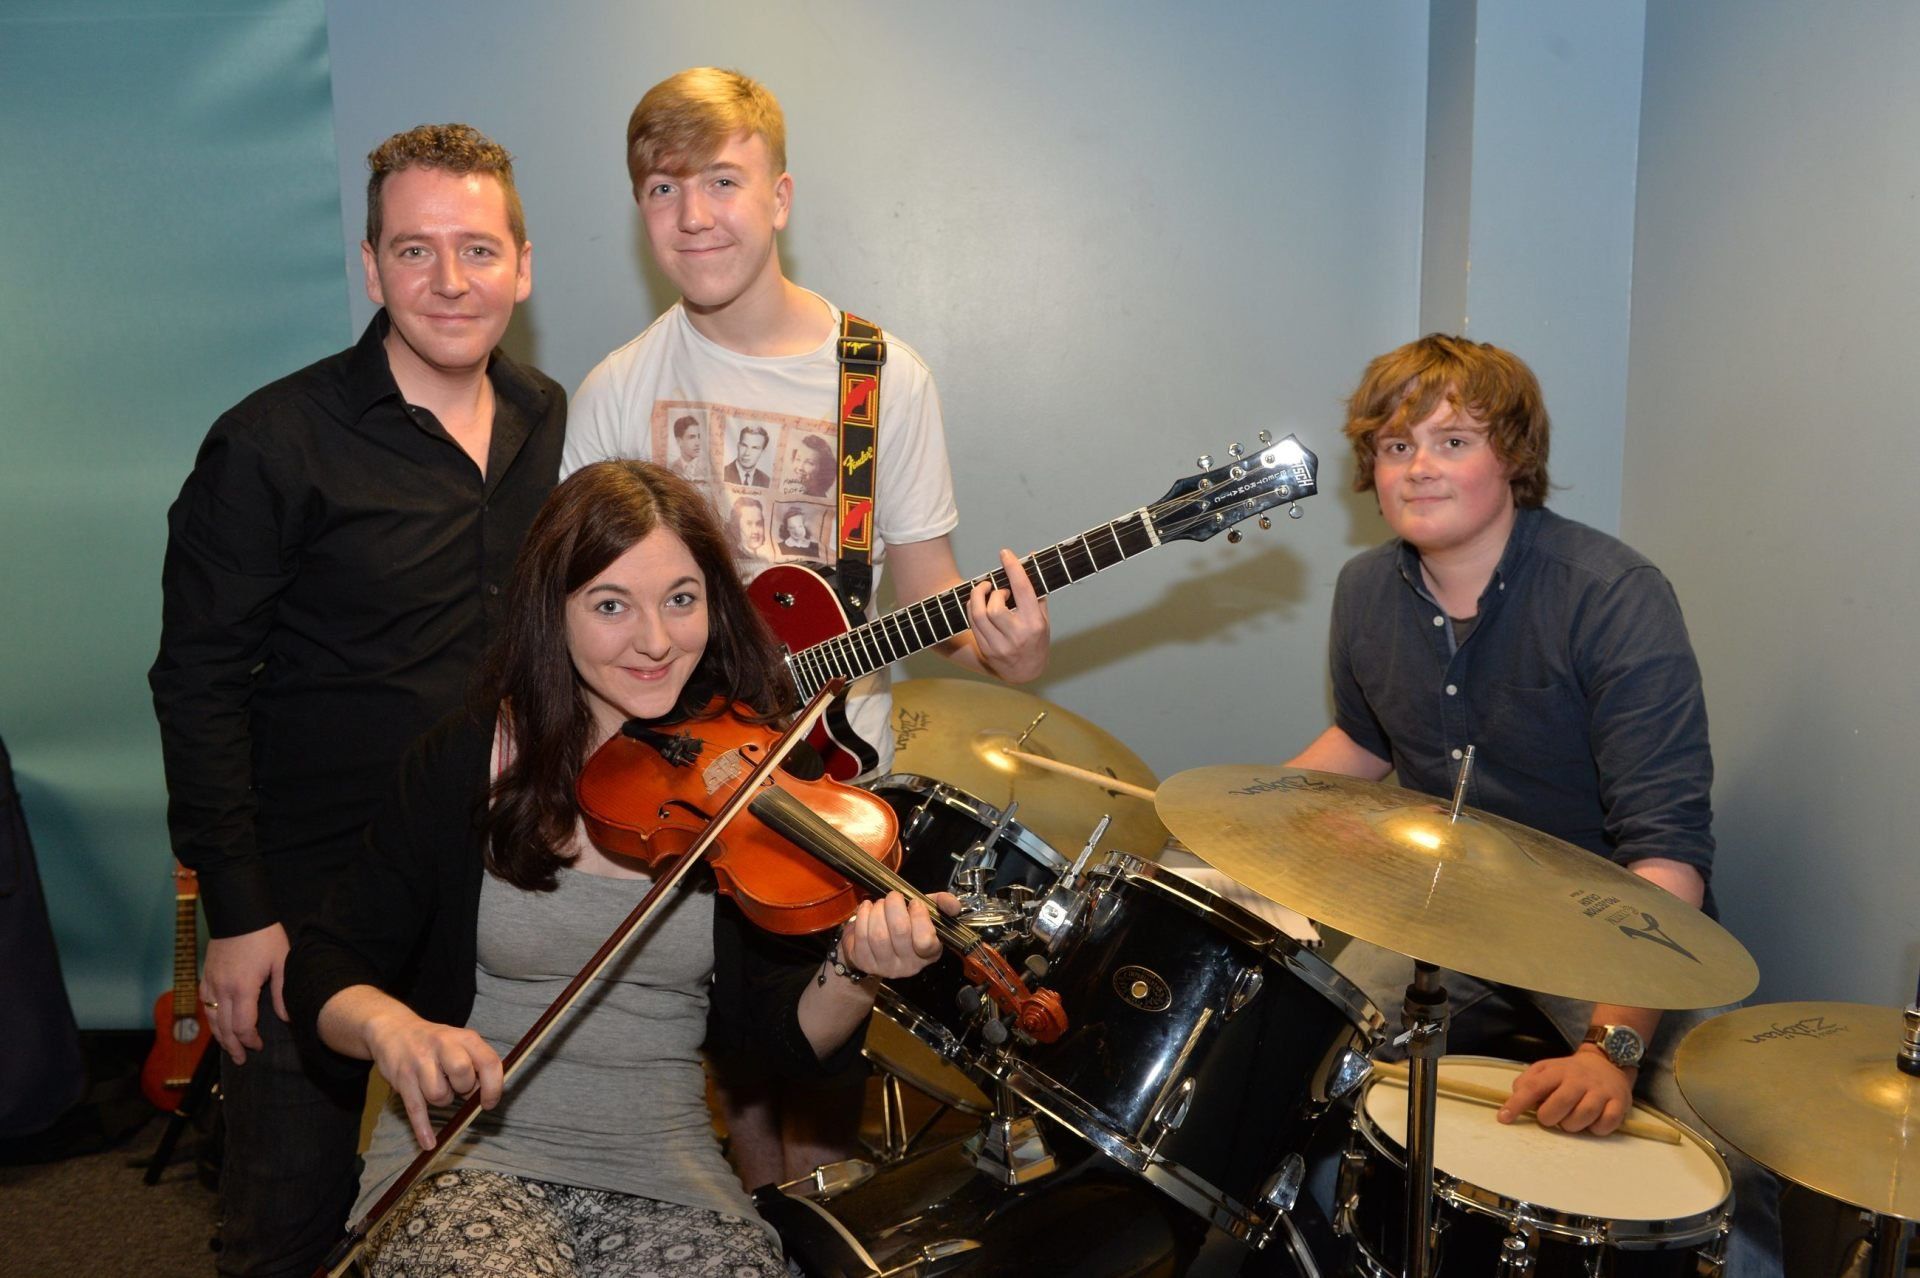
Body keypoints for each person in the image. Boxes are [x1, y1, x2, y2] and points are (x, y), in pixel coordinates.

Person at [563, 67, 1052, 1188]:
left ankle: (804, 1238)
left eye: (722, 181)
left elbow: (930, 591)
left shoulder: (883, 379)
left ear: (778, 197)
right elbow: (578, 612)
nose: (694, 214)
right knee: (728, 1076)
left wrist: (1006, 651)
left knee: (819, 1078)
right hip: (673, 783)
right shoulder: (616, 390)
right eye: (663, 188)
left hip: (829, 784)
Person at [283, 461, 949, 1276]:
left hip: (666, 1171)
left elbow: (781, 1039)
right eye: (610, 605)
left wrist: (855, 969)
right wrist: (394, 1029)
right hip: (467, 1160)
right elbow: (325, 963)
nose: (656, 641)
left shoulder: (756, 772)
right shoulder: (469, 757)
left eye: (681, 599)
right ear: (551, 613)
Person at [148, 123, 563, 1275]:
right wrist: (239, 913)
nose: (450, 280)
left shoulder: (546, 417)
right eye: (415, 250)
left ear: (523, 267)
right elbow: (197, 683)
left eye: (478, 249)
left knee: (484, 1215)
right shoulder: (268, 444)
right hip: (312, 904)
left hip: (488, 887)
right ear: (371, 267)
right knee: (290, 1223)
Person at [1286, 334, 1781, 1275]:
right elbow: (1364, 740)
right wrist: (1243, 828)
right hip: (1448, 910)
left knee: (1730, 1148)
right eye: (1396, 446)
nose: (1419, 468)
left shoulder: (1614, 596)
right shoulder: (1364, 590)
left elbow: (1666, 853)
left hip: (1611, 924)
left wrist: (1612, 1048)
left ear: (1512, 457)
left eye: (1453, 441)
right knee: (1296, 1068)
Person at [724, 422, 773, 487]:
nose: (747, 453)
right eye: (744, 445)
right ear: (738, 446)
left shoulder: (767, 482)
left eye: (755, 448)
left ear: (762, 452)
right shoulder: (722, 473)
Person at [668, 412, 709, 482]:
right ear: (679, 441)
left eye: (699, 437)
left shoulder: (707, 468)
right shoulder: (670, 468)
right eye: (692, 437)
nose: (698, 443)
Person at [726, 494, 770, 560]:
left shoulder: (762, 559)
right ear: (737, 527)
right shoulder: (734, 558)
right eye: (749, 524)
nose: (755, 531)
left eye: (759, 524)